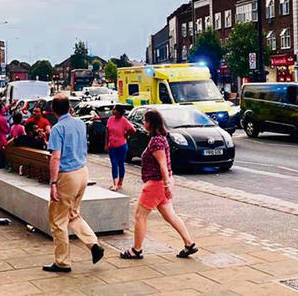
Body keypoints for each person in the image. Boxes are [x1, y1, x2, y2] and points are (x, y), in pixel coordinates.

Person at [120, 109, 197, 260]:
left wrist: (166, 185)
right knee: (170, 216)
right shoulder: (160, 138)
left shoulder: (156, 141)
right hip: (161, 184)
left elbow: (162, 164)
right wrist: (167, 184)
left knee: (140, 216)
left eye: (145, 121)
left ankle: (136, 250)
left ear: (151, 123)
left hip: (156, 184)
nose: (143, 123)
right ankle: (189, 244)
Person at [44, 94, 104, 273]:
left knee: (58, 220)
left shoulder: (57, 129)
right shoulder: (79, 124)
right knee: (73, 213)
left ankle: (62, 262)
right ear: (69, 107)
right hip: (82, 172)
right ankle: (93, 244)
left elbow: (56, 158)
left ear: (53, 110)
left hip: (67, 176)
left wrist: (53, 183)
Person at [104, 105, 134, 191]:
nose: (113, 111)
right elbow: (107, 132)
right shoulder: (110, 119)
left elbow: (132, 129)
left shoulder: (124, 121)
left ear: (119, 111)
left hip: (121, 146)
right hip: (111, 146)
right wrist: (106, 144)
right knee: (114, 163)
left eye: (114, 110)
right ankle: (115, 183)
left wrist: (126, 135)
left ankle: (120, 182)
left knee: (120, 164)